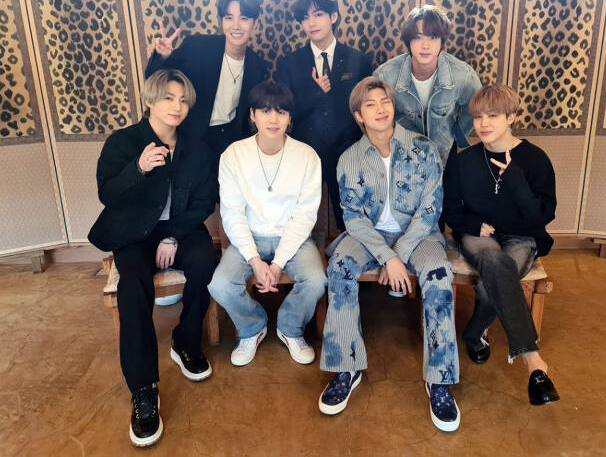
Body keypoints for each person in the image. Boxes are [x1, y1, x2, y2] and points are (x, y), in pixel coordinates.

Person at [318, 77, 461, 432]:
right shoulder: (349, 159)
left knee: (439, 275)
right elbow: (353, 218)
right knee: (340, 266)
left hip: (419, 234)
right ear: (358, 116)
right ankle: (346, 368)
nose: (380, 109)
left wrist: (401, 251)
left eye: (385, 102)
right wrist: (389, 257)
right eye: (370, 105)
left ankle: (439, 378)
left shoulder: (423, 149)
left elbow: (431, 207)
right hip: (367, 235)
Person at [88, 70, 218, 447]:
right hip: (134, 233)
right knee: (133, 284)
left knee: (204, 262)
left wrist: (173, 235)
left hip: (179, 228)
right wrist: (139, 168)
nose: (177, 106)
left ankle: (185, 342)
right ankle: (143, 389)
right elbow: (107, 194)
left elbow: (204, 202)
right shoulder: (123, 142)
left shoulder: (197, 149)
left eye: (183, 100)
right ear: (149, 101)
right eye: (168, 98)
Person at [443, 83, 560, 405]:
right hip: (478, 236)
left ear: (511, 117)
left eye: (493, 116)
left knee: (488, 285)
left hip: (522, 236)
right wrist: (472, 225)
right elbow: (450, 210)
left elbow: (543, 215)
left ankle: (472, 334)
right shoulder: (464, 161)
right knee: (496, 263)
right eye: (478, 117)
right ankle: (533, 361)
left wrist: (516, 181)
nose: (483, 124)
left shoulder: (535, 159)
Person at [207, 82, 327, 367]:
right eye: (265, 111)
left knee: (316, 281)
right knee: (220, 285)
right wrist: (255, 260)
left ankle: (290, 328)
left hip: (293, 238)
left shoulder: (307, 156)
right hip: (249, 237)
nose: (273, 119)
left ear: (289, 117)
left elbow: (304, 216)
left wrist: (277, 263)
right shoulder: (234, 155)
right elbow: (232, 214)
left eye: (281, 112)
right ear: (252, 115)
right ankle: (253, 327)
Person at [275, 0, 372, 232]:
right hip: (305, 152)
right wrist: (315, 94)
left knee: (351, 220)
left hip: (349, 152)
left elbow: (367, 110)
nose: (311, 23)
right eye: (305, 18)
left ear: (333, 17)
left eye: (318, 14)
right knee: (299, 221)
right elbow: (283, 112)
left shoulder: (358, 60)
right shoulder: (289, 63)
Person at [146, 0, 269, 163]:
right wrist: (163, 57)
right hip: (192, 136)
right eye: (229, 18)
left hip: (231, 139)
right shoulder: (198, 47)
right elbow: (153, 80)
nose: (236, 26)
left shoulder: (257, 66)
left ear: (255, 23)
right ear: (222, 21)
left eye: (244, 18)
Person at [373, 5, 481, 167]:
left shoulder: (462, 75)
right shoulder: (385, 75)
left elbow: (476, 108)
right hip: (401, 156)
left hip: (444, 156)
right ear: (409, 41)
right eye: (418, 37)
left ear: (442, 41)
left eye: (433, 37)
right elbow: (372, 115)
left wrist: (455, 136)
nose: (425, 46)